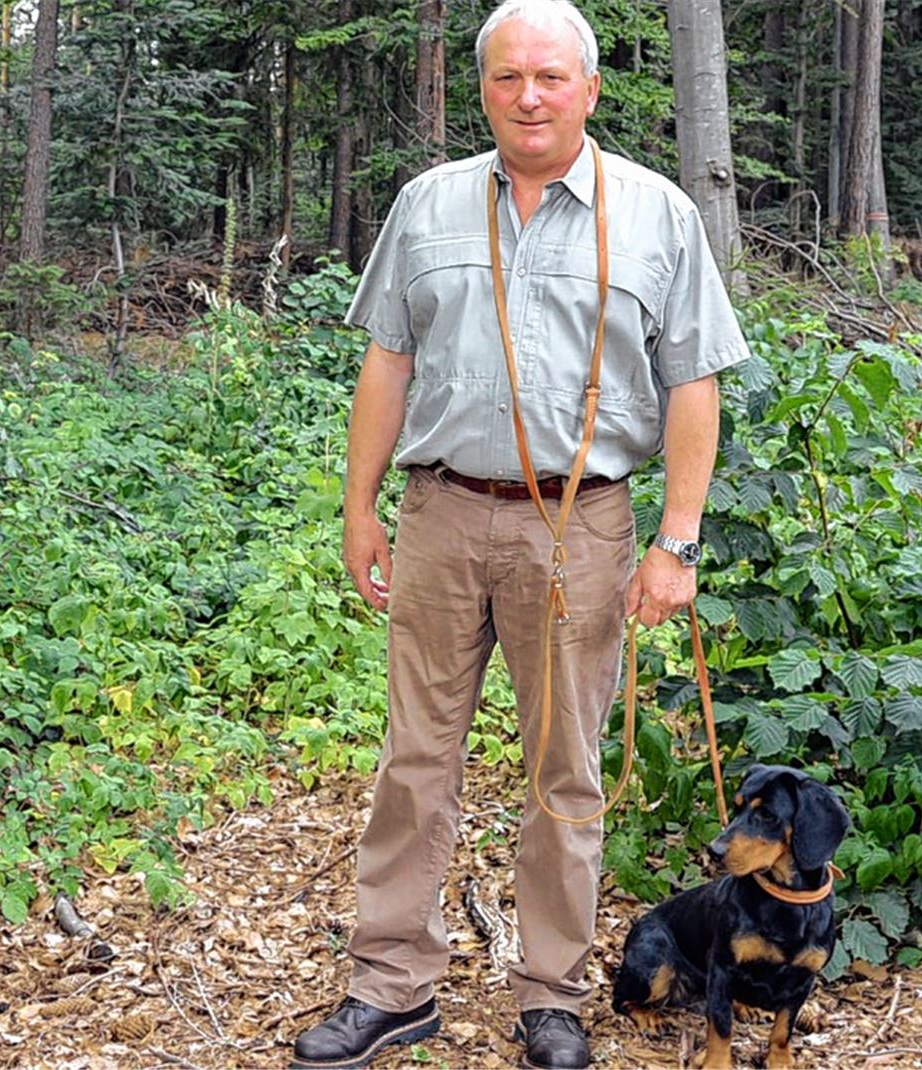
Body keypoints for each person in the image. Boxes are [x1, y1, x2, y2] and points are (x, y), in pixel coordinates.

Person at [291, 2, 749, 1068]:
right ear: (483, 90)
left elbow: (694, 382)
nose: (529, 96)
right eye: (507, 78)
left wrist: (677, 541)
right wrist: (358, 507)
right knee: (415, 760)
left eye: (550, 76)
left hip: (581, 525)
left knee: (566, 771)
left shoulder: (658, 213)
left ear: (589, 89)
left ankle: (551, 993)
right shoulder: (429, 204)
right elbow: (388, 364)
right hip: (442, 514)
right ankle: (392, 983)